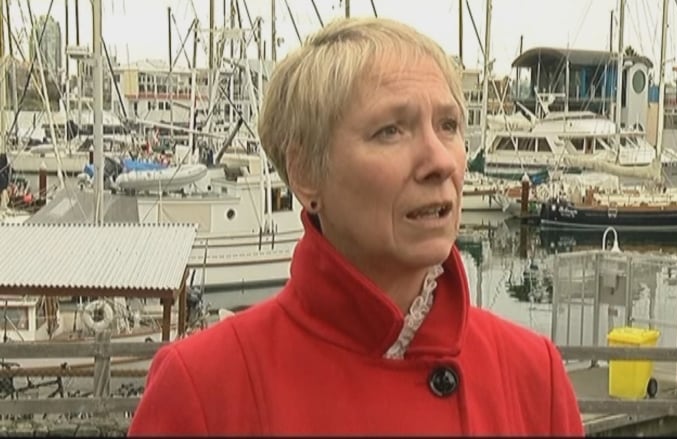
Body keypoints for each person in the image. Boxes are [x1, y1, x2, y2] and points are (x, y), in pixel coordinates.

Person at [128, 17, 583, 436]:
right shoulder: (205, 388)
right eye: (391, 130)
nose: (441, 160)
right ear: (306, 172)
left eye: (448, 125)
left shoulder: (532, 375)